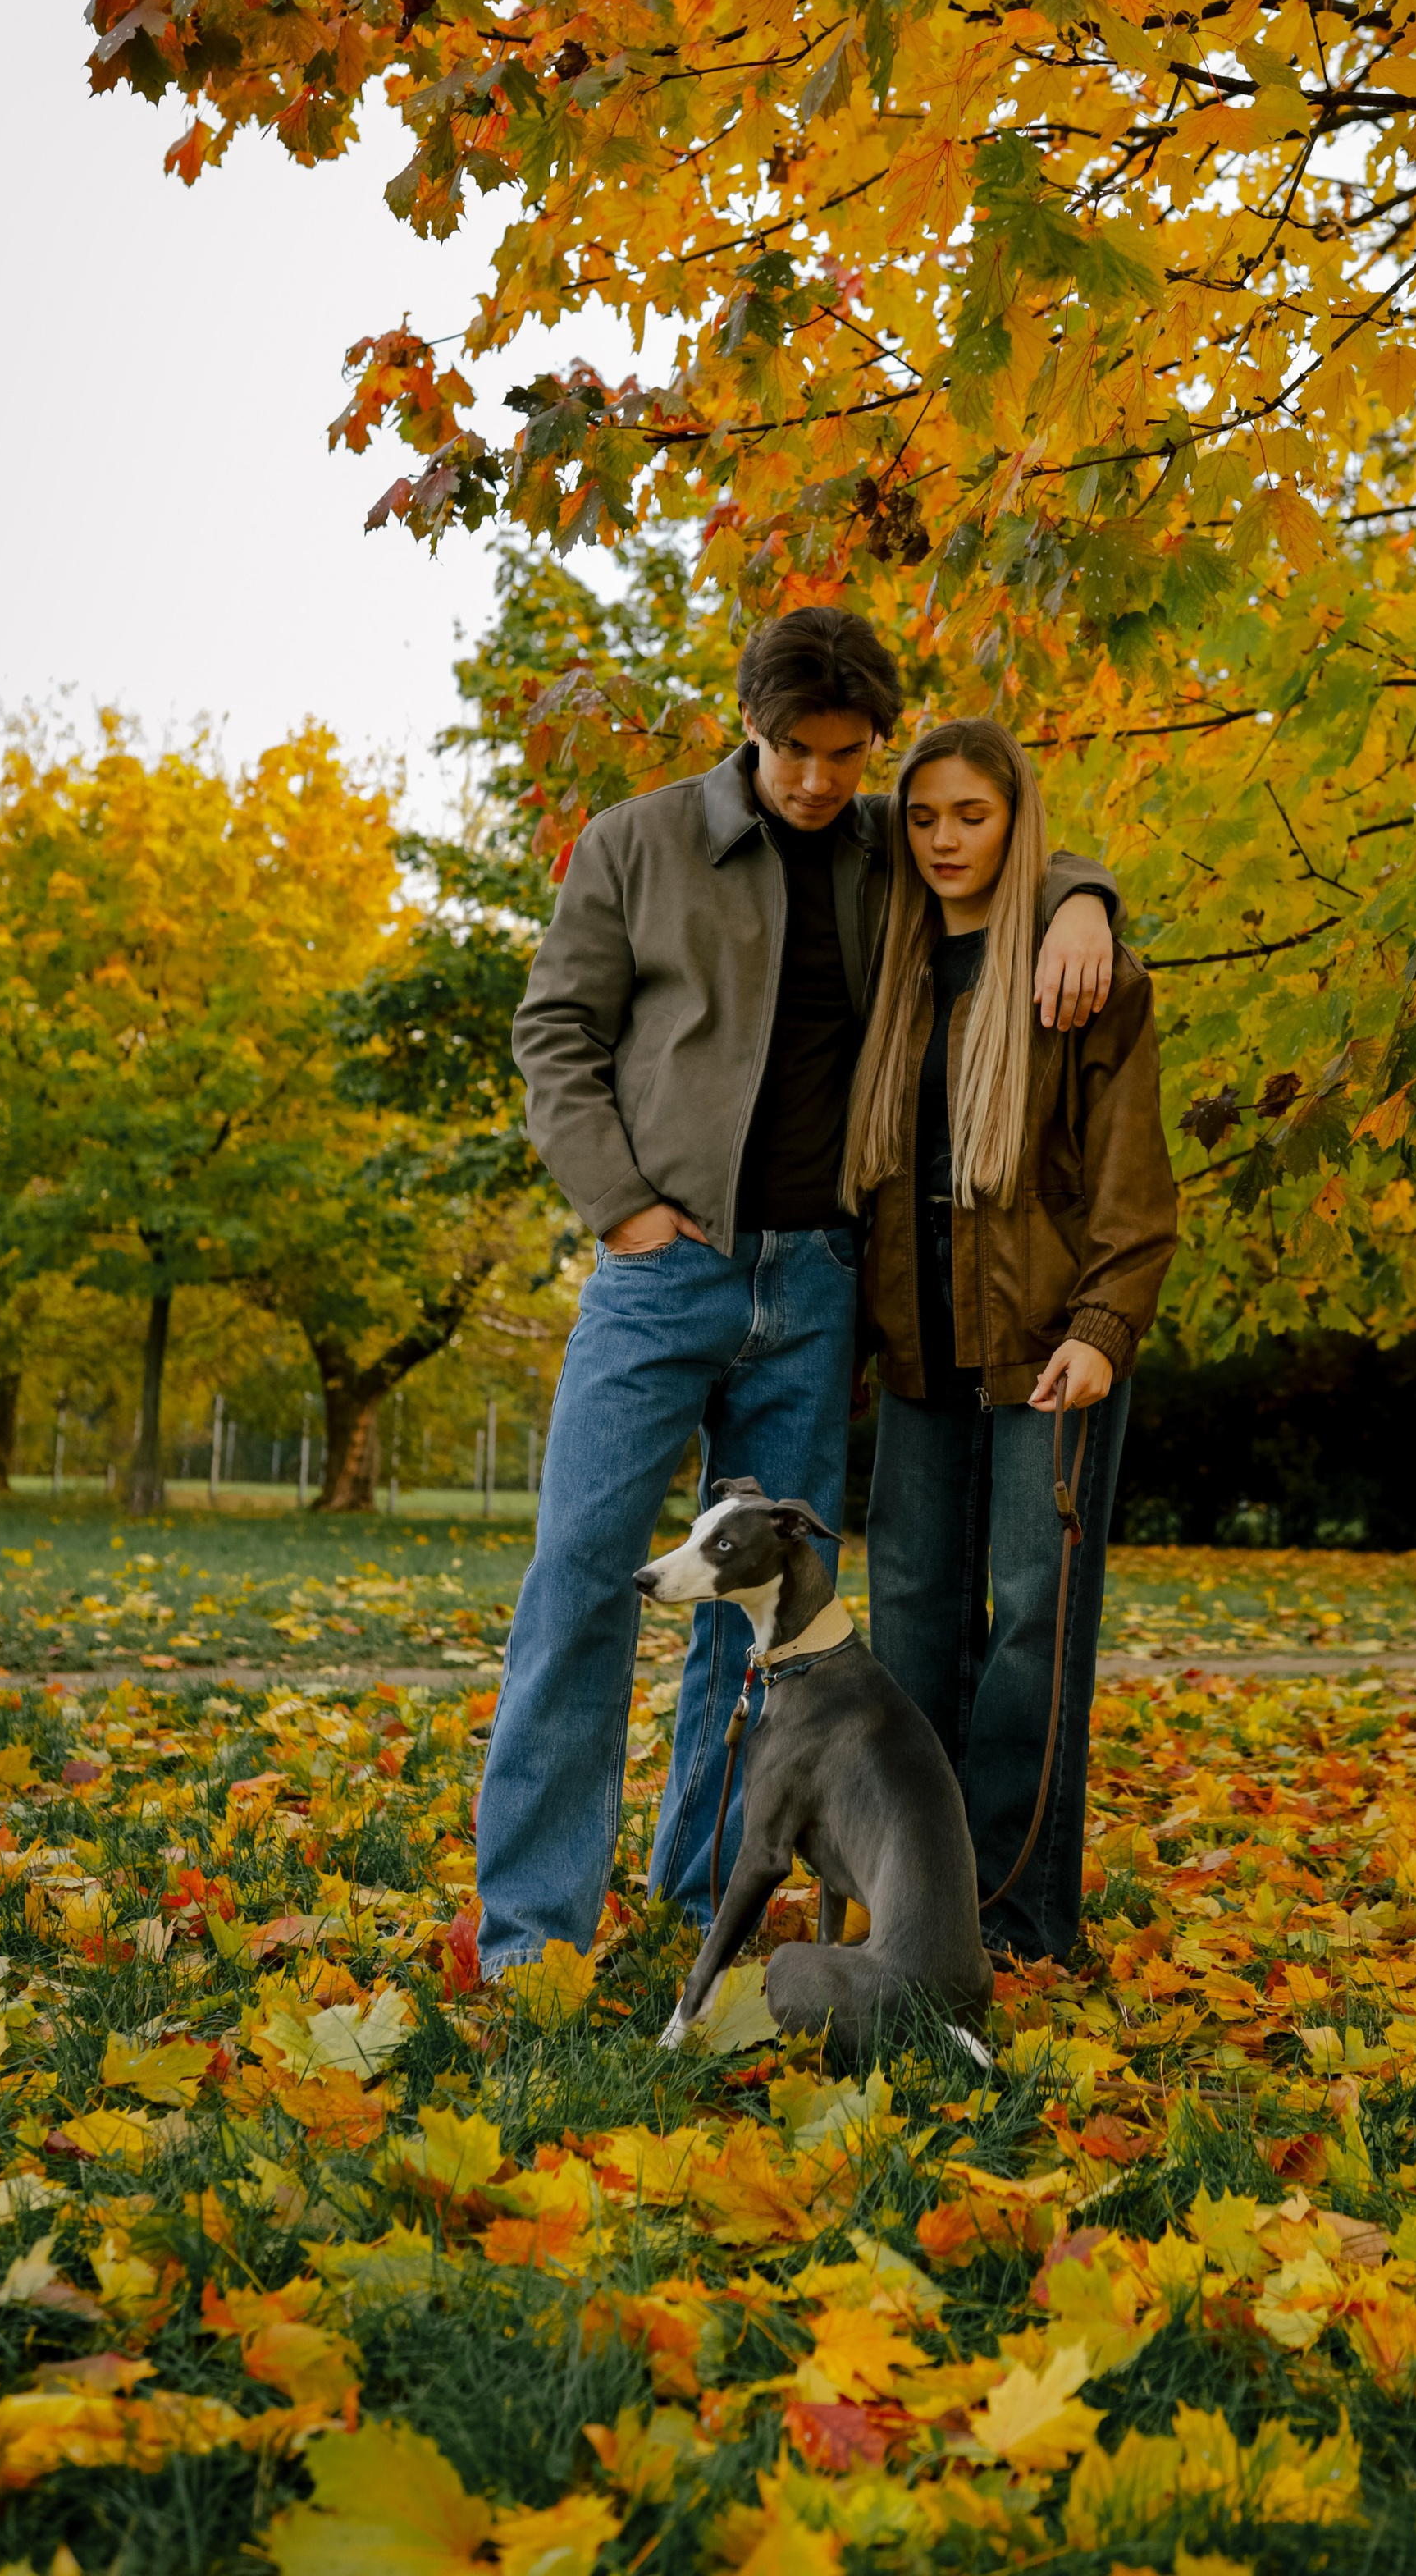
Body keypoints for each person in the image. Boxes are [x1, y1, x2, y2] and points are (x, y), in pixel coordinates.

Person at [476, 610, 1120, 1970]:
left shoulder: (888, 846)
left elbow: (1008, 848)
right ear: (750, 726)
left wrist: (1086, 898)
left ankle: (706, 1899)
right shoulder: (638, 842)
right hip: (663, 1275)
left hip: (818, 1284)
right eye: (795, 752)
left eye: (848, 753)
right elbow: (555, 1032)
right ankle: (533, 1935)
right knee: (581, 1582)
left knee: (764, 1626)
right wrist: (624, 1208)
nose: (821, 780)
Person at [843, 718, 1177, 1965]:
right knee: (911, 1627)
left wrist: (1105, 1325)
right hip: (919, 1351)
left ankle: (1021, 1921)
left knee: (1035, 1629)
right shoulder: (889, 963)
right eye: (924, 817)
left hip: (1050, 1349)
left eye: (972, 816)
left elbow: (1132, 1176)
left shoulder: (1085, 973)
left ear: (1017, 820)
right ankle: (919, 1909)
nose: (945, 840)